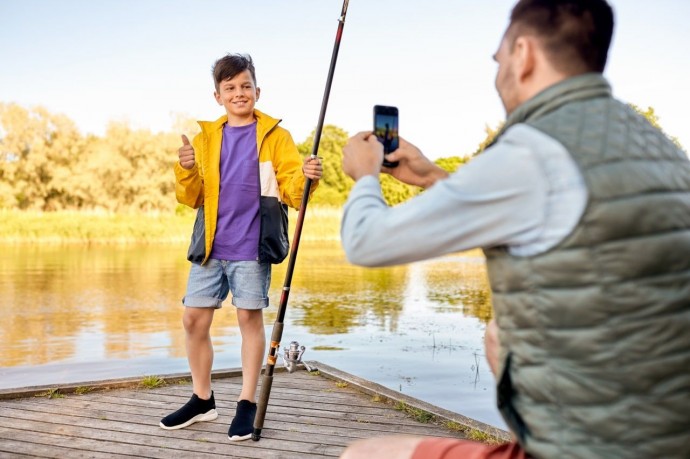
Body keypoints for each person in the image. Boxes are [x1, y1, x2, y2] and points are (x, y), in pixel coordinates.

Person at [339, 0, 690, 458]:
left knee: (365, 454)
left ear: (523, 54)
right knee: (497, 334)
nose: (499, 70)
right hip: (667, 432)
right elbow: (552, 213)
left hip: (595, 446)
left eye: (499, 58)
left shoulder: (534, 149)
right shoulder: (651, 142)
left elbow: (367, 241)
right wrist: (429, 177)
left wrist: (365, 174)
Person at [160, 53, 322, 441]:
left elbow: (292, 192)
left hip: (252, 246)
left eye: (245, 86)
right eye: (229, 88)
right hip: (210, 247)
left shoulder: (276, 137)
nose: (238, 93)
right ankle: (203, 400)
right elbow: (192, 197)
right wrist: (185, 170)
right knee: (192, 320)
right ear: (218, 96)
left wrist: (307, 178)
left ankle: (246, 403)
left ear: (257, 91)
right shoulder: (204, 138)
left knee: (249, 321)